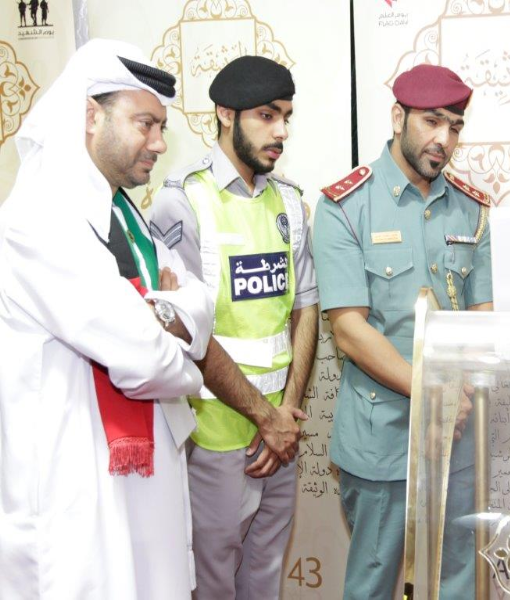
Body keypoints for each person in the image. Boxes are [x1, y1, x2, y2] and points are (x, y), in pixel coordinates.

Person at [0, 39, 214, 599]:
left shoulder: (123, 211)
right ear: (91, 115)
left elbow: (199, 302)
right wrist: (187, 365)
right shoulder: (41, 213)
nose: (160, 143)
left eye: (161, 126)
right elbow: (142, 357)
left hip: (142, 486)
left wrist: (160, 317)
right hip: (78, 496)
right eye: (146, 123)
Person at [313, 63, 493, 599]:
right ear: (398, 117)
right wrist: (433, 391)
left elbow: (484, 313)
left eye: (456, 125)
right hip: (380, 440)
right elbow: (349, 330)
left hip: (457, 438)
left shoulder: (471, 208)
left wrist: (457, 393)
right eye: (432, 121)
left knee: (457, 579)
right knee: (372, 584)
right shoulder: (344, 206)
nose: (444, 139)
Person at [150, 55, 318, 600]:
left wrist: (285, 416)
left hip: (279, 437)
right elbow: (184, 332)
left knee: (265, 578)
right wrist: (264, 418)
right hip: (215, 437)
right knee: (215, 583)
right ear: (225, 113)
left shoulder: (289, 201)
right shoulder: (183, 201)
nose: (281, 132)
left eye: (286, 117)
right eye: (267, 116)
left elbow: (306, 308)